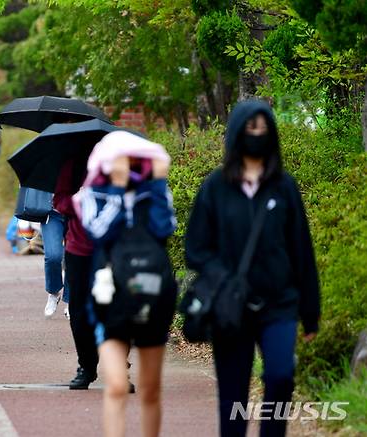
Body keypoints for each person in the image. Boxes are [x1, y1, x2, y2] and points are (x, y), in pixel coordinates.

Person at [185, 99, 320, 437]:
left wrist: (311, 312)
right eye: (249, 127)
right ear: (235, 133)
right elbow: (196, 249)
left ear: (271, 133)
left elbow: (301, 249)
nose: (256, 134)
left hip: (279, 303)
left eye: (262, 127)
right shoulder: (215, 188)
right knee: (233, 397)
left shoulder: (284, 187)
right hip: (231, 307)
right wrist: (224, 278)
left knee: (280, 376)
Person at [76, 131, 176, 437]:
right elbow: (99, 232)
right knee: (117, 386)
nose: (129, 165)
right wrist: (118, 190)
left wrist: (158, 184)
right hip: (110, 298)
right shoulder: (92, 194)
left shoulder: (154, 191)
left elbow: (165, 227)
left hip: (152, 295)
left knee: (150, 389)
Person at [53, 156, 100, 389]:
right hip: (78, 248)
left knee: (113, 308)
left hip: (111, 248)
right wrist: (80, 201)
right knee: (79, 310)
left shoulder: (115, 162)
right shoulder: (73, 164)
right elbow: (59, 201)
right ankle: (87, 365)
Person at [41, 208, 70, 319]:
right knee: (52, 256)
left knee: (73, 257)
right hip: (52, 212)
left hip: (78, 211)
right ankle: (53, 292)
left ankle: (70, 300)